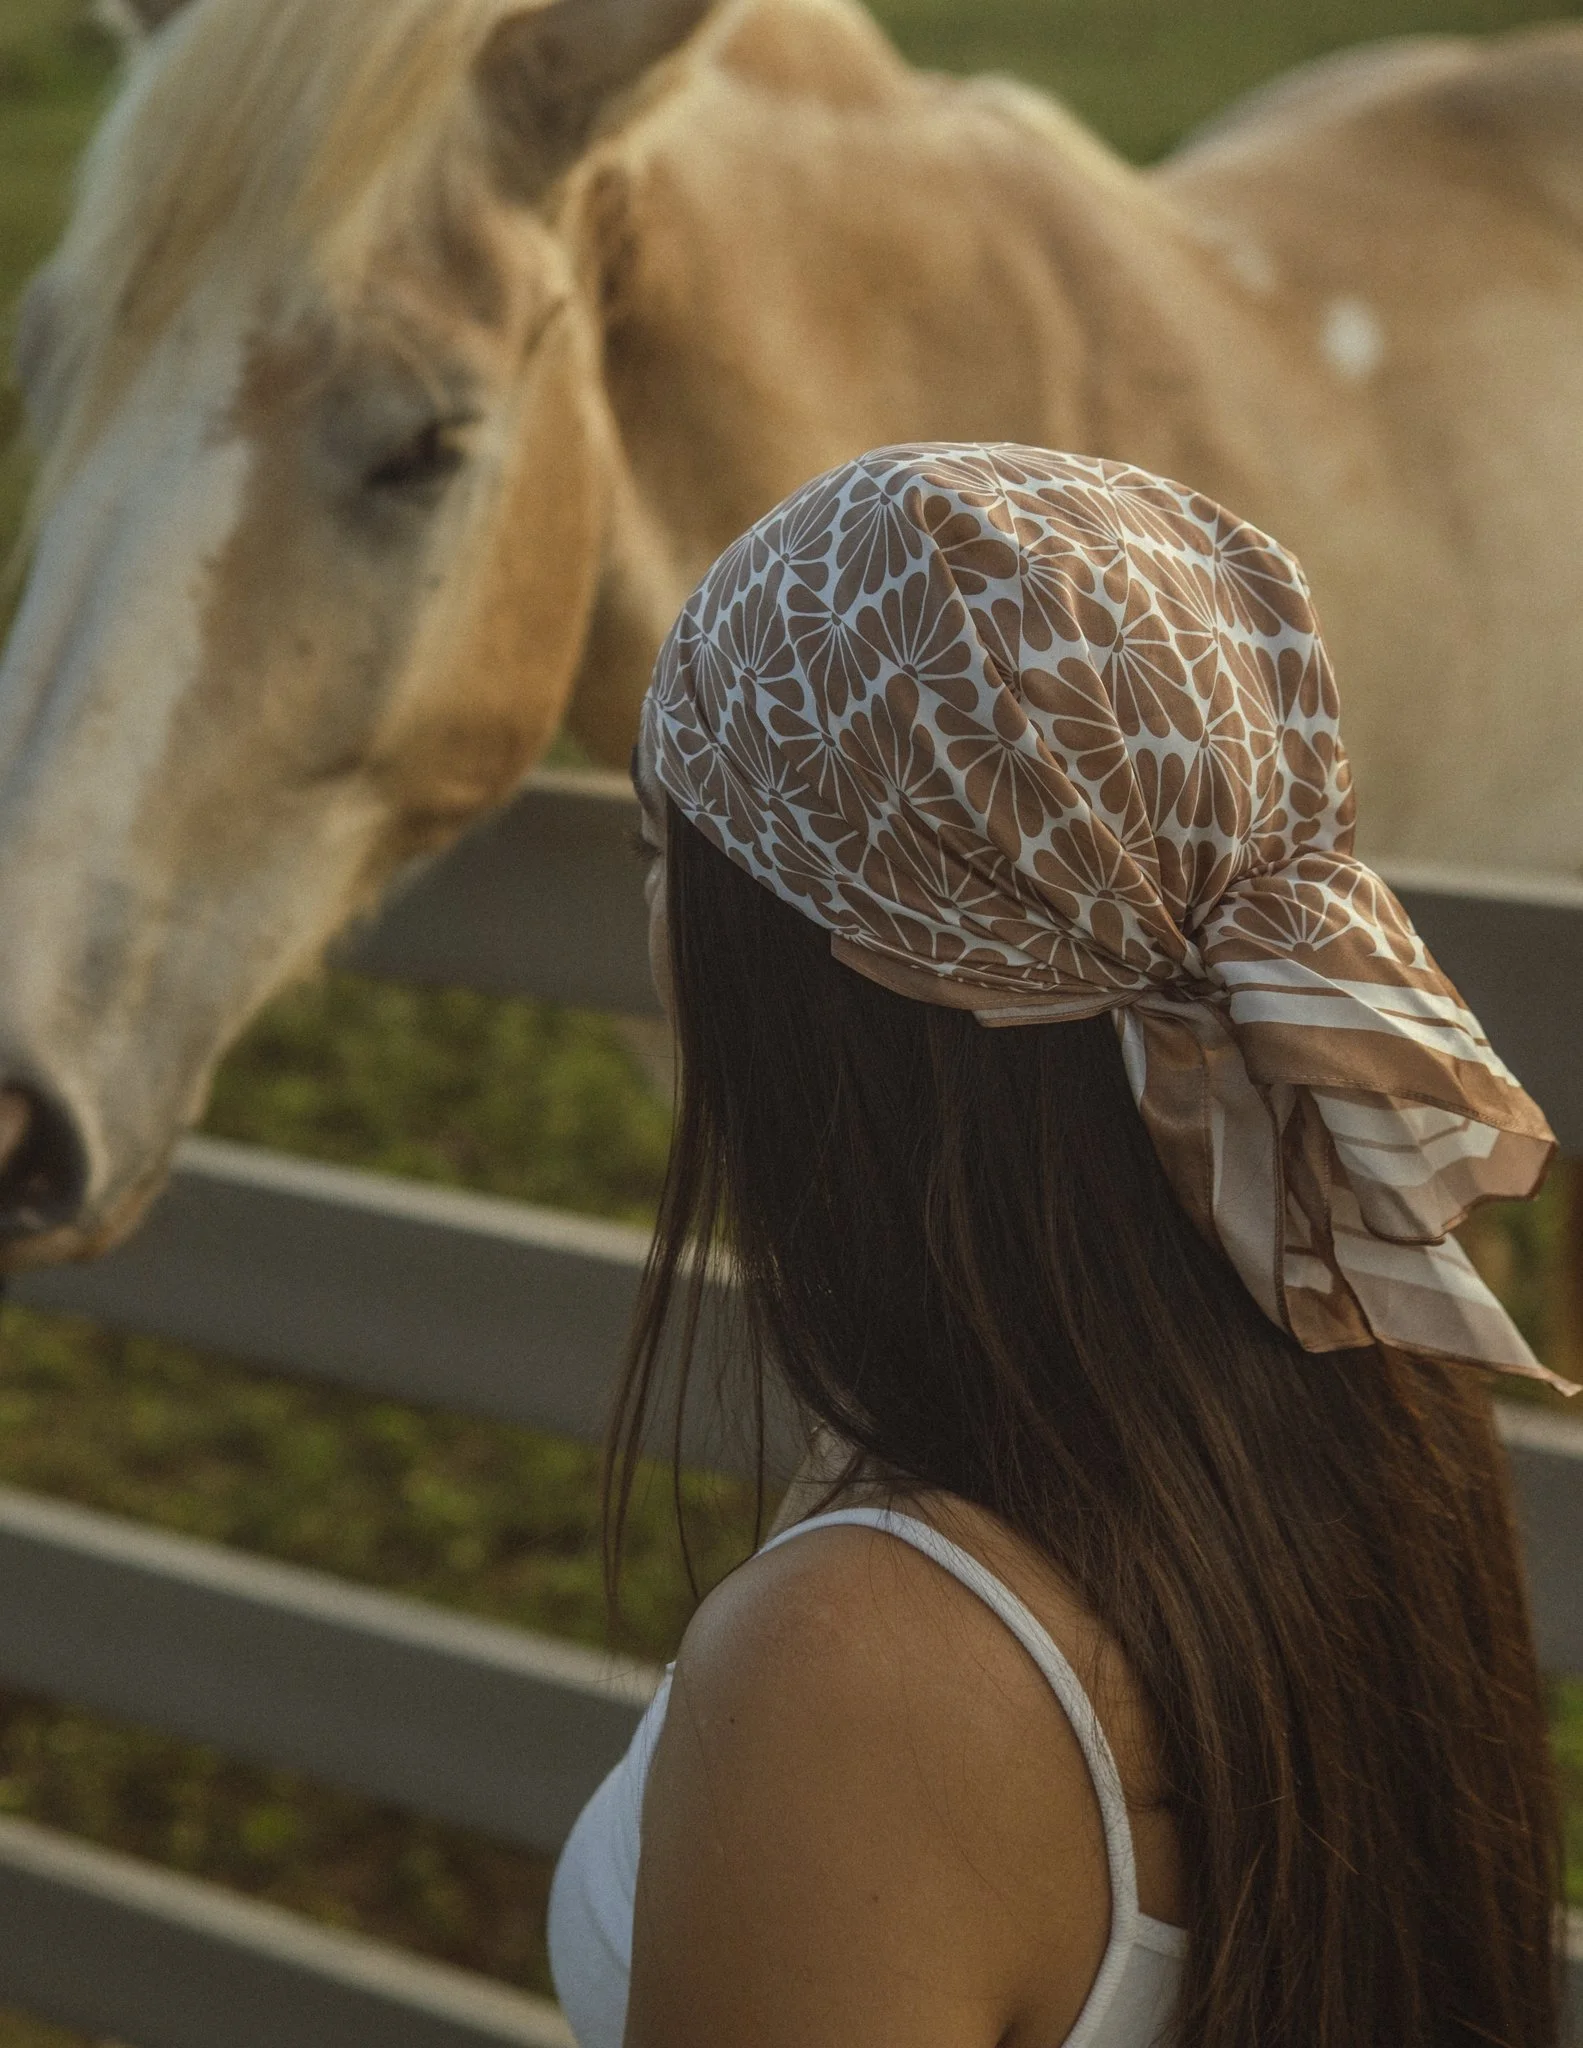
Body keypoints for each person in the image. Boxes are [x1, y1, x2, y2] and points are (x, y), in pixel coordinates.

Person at [547, 445, 1568, 2048]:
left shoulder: (855, 1674)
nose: (655, 925)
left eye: (666, 852)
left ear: (822, 967)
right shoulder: (1365, 1376)